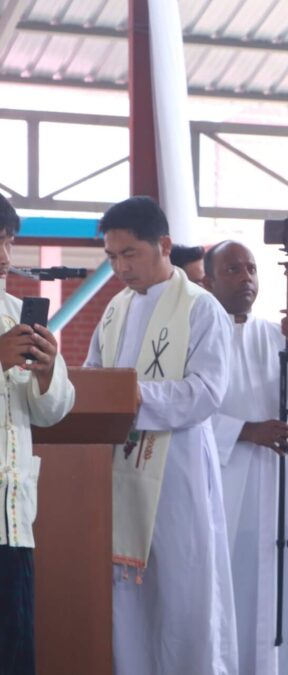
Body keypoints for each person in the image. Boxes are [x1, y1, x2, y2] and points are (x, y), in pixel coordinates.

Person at [84, 196, 237, 674]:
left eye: (129, 254)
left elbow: (206, 392)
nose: (120, 267)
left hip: (178, 473)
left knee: (180, 590)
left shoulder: (200, 307)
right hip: (119, 472)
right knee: (126, 599)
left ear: (163, 245)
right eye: (112, 257)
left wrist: (128, 397)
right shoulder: (115, 308)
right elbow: (93, 375)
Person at [204, 241, 288, 675]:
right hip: (228, 483)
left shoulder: (275, 335)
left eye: (251, 269)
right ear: (207, 281)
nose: (246, 278)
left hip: (286, 486)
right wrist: (245, 431)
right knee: (232, 584)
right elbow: (185, 413)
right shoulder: (199, 336)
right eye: (233, 269)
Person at [0, 195, 75, 674]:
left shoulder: (15, 313)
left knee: (13, 655)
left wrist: (47, 372)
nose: (3, 257)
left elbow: (51, 411)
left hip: (11, 519)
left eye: (6, 241)